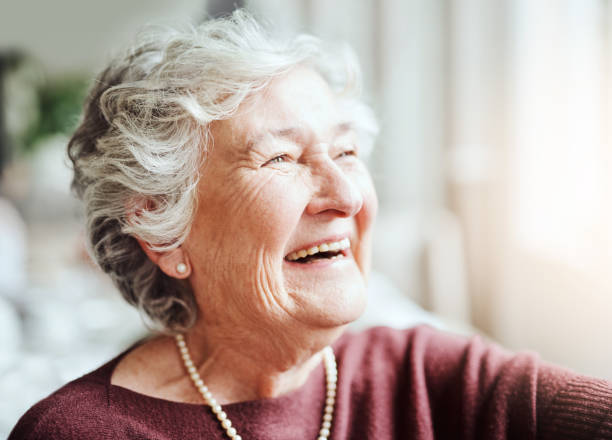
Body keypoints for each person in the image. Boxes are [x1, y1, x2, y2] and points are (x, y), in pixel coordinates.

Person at [9, 10, 612, 440]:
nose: (346, 195)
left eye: (346, 153)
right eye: (281, 159)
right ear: (163, 230)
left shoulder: (425, 375)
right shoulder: (82, 431)